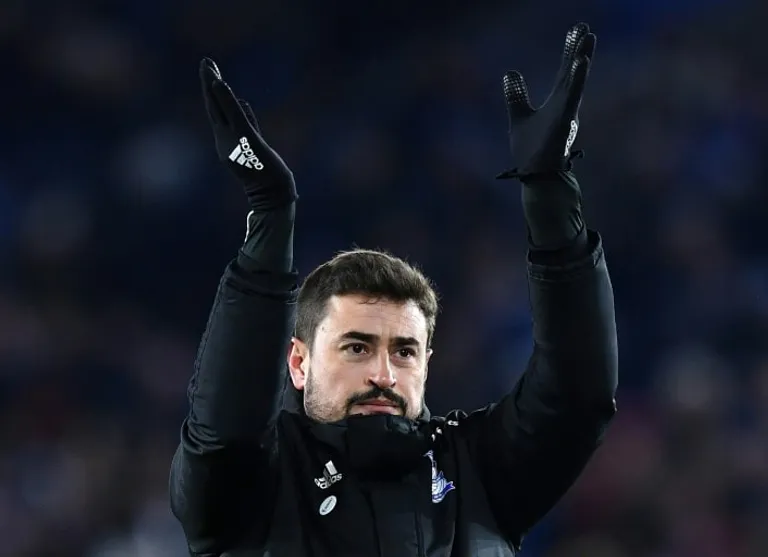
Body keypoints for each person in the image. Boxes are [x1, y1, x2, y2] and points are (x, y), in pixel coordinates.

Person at [170, 22, 619, 557]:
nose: (383, 376)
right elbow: (224, 432)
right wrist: (270, 219)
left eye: (404, 351)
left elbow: (577, 396)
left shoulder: (479, 469)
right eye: (357, 347)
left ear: (427, 363)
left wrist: (550, 196)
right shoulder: (253, 484)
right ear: (299, 363)